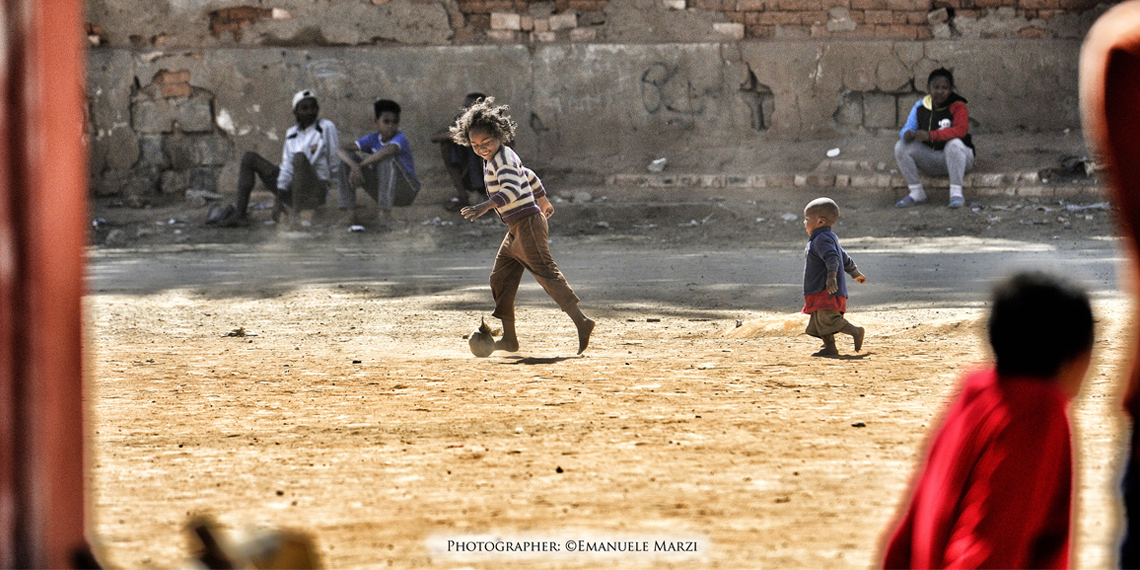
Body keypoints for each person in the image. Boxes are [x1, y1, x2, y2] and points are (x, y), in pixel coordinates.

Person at [881, 271, 1095, 569]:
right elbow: (988, 554)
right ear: (1076, 357)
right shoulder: (1036, 412)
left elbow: (906, 535)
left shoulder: (976, 395)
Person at [453, 97, 594, 355]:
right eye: (475, 145)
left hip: (527, 224)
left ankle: (581, 321)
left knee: (545, 273)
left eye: (486, 142)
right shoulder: (496, 158)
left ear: (499, 135)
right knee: (501, 278)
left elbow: (512, 189)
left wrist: (485, 206)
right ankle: (509, 339)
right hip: (516, 227)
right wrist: (543, 199)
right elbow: (527, 175)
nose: (481, 148)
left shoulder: (503, 159)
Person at [207, 89, 340, 227]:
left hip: (315, 191)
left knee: (299, 158)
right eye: (304, 108)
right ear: (295, 112)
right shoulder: (291, 134)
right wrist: (279, 200)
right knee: (249, 158)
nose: (310, 111)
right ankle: (240, 215)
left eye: (313, 107)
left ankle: (295, 216)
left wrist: (333, 197)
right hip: (292, 189)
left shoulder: (326, 127)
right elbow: (287, 168)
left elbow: (334, 162)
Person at [894, 67, 976, 209]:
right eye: (936, 87)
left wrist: (931, 135)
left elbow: (960, 131)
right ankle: (917, 193)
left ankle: (956, 194)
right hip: (932, 160)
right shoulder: (920, 106)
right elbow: (908, 127)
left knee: (954, 144)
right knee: (901, 146)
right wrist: (907, 134)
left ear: (951, 90)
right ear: (928, 88)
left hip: (959, 160)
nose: (940, 91)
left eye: (944, 88)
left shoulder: (958, 106)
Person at [336, 98, 420, 228]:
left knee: (386, 159)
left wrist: (360, 166)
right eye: (386, 122)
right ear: (376, 121)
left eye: (395, 122)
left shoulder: (400, 138)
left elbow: (386, 151)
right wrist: (353, 166)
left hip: (406, 191)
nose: (391, 126)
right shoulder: (373, 138)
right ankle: (350, 214)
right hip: (383, 189)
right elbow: (340, 150)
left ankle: (385, 215)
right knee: (346, 162)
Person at [802, 197, 866, 357]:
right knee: (819, 321)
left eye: (807, 219)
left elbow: (833, 257)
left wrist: (831, 277)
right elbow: (844, 257)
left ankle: (856, 331)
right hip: (819, 289)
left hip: (826, 289)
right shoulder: (827, 238)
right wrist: (855, 273)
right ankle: (830, 347)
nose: (805, 223)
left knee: (828, 319)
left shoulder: (822, 239)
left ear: (820, 222)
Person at [432, 92, 489, 212]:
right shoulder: (461, 123)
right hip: (468, 168)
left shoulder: (491, 123)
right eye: (465, 108)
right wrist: (459, 134)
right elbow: (436, 137)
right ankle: (463, 196)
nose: (465, 111)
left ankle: (492, 196)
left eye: (470, 108)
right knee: (446, 146)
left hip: (488, 171)